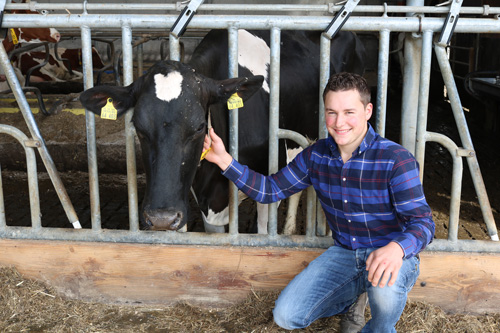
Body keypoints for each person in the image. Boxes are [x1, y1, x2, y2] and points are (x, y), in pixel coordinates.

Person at [202, 72, 435, 332]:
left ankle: (379, 326)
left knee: (384, 291)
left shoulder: (396, 159)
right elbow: (269, 190)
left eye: (349, 112)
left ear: (368, 111)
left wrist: (397, 249)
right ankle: (352, 295)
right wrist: (224, 160)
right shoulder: (316, 156)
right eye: (331, 112)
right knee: (286, 316)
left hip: (390, 254)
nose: (339, 122)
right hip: (345, 254)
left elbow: (423, 223)